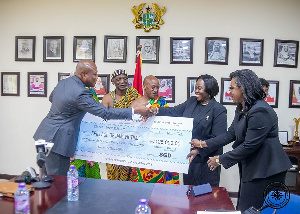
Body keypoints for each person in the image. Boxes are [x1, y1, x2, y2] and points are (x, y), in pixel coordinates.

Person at [193, 69, 292, 212]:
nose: (229, 92)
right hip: (253, 167)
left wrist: (220, 159)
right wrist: (203, 144)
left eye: (232, 88)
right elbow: (229, 135)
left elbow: (249, 146)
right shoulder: (243, 108)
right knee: (245, 207)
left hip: (267, 170)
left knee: (253, 209)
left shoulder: (260, 111)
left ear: (244, 88)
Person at [33, 60, 150, 176]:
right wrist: (135, 111)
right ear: (84, 75)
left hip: (44, 134)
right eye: (94, 74)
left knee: (46, 179)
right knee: (57, 182)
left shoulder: (63, 82)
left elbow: (51, 98)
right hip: (58, 141)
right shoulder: (81, 93)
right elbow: (105, 113)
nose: (97, 78)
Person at [157, 74, 227, 186]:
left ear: (209, 90)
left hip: (207, 162)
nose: (196, 91)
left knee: (205, 199)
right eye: (195, 88)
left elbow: (218, 139)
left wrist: (199, 150)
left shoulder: (219, 110)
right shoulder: (191, 102)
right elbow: (173, 111)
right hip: (190, 160)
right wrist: (154, 111)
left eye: (199, 88)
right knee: (189, 195)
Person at [130, 75, 179, 184]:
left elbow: (169, 123)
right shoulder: (135, 104)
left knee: (160, 188)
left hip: (158, 149)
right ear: (144, 86)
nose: (156, 90)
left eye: (157, 87)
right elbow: (130, 127)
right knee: (140, 185)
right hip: (141, 150)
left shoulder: (161, 102)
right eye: (153, 87)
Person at [102, 69, 141, 181]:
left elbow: (140, 110)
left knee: (129, 174)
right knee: (113, 173)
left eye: (125, 79)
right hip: (113, 142)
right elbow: (102, 119)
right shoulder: (108, 98)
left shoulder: (134, 94)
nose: (122, 81)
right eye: (118, 79)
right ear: (113, 82)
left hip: (130, 141)